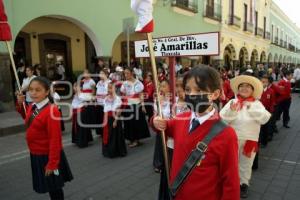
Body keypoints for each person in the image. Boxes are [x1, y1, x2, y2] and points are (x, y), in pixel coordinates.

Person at [153, 65, 240, 200]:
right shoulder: (180, 119)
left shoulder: (227, 134)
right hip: (177, 193)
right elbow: (163, 126)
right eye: (188, 89)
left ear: (215, 94)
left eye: (199, 90)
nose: (192, 94)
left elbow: (231, 180)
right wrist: (155, 121)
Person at [16, 76, 73, 200]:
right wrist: (21, 105)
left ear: (47, 91)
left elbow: (55, 140)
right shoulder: (33, 106)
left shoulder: (52, 111)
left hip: (48, 155)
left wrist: (52, 164)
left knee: (55, 185)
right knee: (49, 184)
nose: (33, 93)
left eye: (38, 90)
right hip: (36, 153)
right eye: (31, 89)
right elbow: (28, 119)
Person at [220, 75, 271, 198]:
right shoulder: (232, 102)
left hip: (250, 140)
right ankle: (229, 183)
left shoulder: (257, 104)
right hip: (232, 139)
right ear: (237, 89)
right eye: (241, 86)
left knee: (246, 164)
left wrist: (250, 107)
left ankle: (243, 184)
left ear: (253, 90)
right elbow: (222, 119)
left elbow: (264, 119)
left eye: (248, 86)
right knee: (231, 163)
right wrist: (231, 111)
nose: (244, 88)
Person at [121, 67, 150, 148]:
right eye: (125, 73)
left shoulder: (138, 83)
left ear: (132, 73)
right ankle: (132, 139)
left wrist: (143, 105)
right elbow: (123, 95)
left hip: (136, 104)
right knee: (128, 123)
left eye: (127, 73)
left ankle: (136, 140)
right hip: (128, 105)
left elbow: (141, 95)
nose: (126, 75)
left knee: (136, 123)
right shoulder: (124, 83)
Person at [102, 82, 127, 158]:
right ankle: (108, 150)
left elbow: (119, 111)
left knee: (115, 135)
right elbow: (105, 109)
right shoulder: (106, 98)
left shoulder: (117, 99)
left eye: (110, 88)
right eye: (108, 88)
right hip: (107, 118)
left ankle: (116, 151)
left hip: (114, 118)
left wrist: (115, 121)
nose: (109, 90)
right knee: (108, 135)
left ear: (114, 89)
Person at [95, 69, 111, 136]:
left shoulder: (109, 82)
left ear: (106, 75)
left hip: (106, 103)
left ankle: (107, 131)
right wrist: (96, 100)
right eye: (99, 73)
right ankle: (101, 132)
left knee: (106, 119)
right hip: (99, 103)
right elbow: (97, 91)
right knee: (100, 118)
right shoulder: (99, 83)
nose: (100, 75)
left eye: (102, 74)